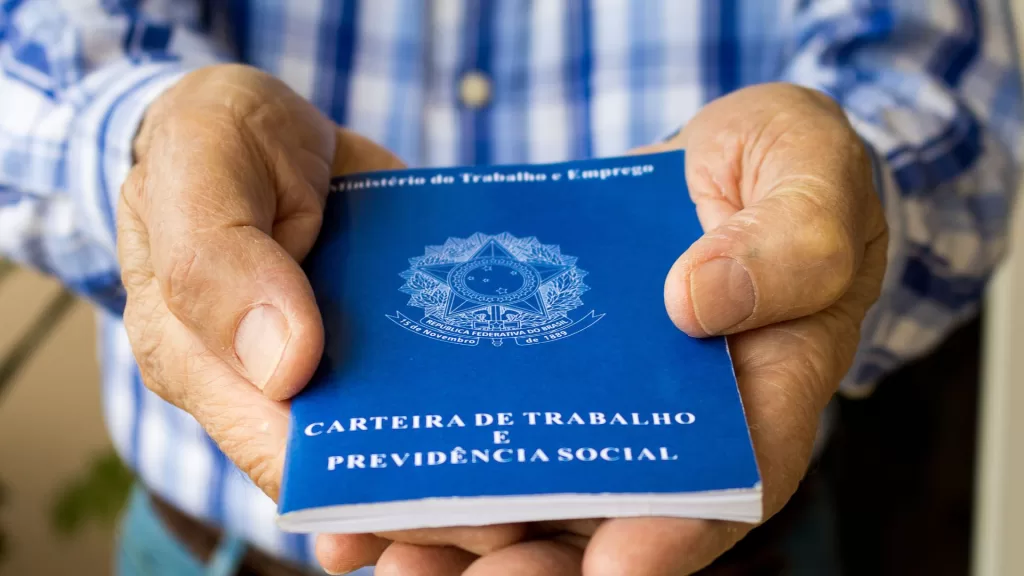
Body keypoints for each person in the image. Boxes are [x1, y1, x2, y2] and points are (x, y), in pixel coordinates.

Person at [0, 0, 1020, 574]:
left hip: (736, 549)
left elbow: (949, 97)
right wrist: (152, 156)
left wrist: (840, 206)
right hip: (214, 547)